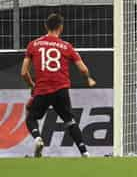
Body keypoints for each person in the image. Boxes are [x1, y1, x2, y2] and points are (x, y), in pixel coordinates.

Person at [21, 13, 96, 157]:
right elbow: (83, 68)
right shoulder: (66, 46)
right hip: (61, 90)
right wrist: (88, 78)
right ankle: (85, 152)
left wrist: (32, 85)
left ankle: (37, 138)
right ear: (60, 28)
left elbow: (24, 72)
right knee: (70, 121)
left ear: (45, 26)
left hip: (42, 90)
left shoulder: (33, 45)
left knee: (31, 116)